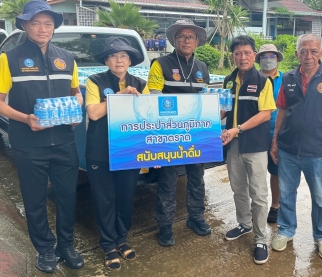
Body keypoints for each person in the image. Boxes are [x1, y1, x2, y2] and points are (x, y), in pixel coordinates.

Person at [0, 0, 84, 273]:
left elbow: (76, 92)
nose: (43, 29)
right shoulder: (11, 58)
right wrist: (25, 118)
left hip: (65, 141)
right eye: (36, 23)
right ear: (25, 25)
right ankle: (44, 249)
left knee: (67, 196)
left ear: (54, 27)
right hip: (29, 144)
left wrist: (74, 106)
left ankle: (66, 245)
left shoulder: (67, 58)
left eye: (48, 23)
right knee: (34, 199)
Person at [270, 34, 322, 260]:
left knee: (321, 197)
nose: (309, 56)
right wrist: (275, 139)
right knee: (286, 194)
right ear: (297, 54)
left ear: (321, 53)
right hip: (288, 149)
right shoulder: (288, 78)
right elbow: (282, 110)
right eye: (304, 51)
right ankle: (285, 230)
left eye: (314, 51)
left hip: (319, 152)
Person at [85, 37, 149, 270]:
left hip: (129, 151)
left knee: (124, 196)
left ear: (130, 59)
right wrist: (120, 97)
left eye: (123, 55)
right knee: (104, 198)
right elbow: (93, 113)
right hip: (100, 150)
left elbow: (148, 117)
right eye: (113, 55)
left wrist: (154, 153)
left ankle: (122, 239)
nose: (118, 60)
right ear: (106, 60)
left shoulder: (141, 83)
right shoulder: (95, 81)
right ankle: (108, 245)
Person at [147, 19, 211, 246]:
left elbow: (206, 102)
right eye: (182, 36)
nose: (186, 40)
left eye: (191, 37)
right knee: (168, 180)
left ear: (196, 42)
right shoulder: (160, 64)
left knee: (197, 178)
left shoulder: (202, 67)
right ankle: (164, 225)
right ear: (174, 40)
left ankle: (196, 217)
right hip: (170, 134)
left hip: (196, 135)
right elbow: (153, 99)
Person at [221, 35, 276, 265]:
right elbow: (223, 110)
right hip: (232, 145)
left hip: (255, 146)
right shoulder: (228, 80)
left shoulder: (263, 82)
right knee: (238, 189)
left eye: (246, 53)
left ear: (254, 55)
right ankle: (244, 224)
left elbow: (265, 113)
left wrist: (238, 129)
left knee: (259, 194)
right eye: (237, 53)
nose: (242, 57)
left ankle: (261, 237)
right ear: (232, 56)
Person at [255, 44, 284, 224]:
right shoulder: (253, 78)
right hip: (256, 133)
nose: (268, 59)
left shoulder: (287, 79)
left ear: (277, 59)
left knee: (276, 172)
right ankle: (257, 208)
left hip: (278, 133)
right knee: (256, 174)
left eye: (271, 56)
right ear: (258, 60)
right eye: (264, 56)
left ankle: (275, 206)